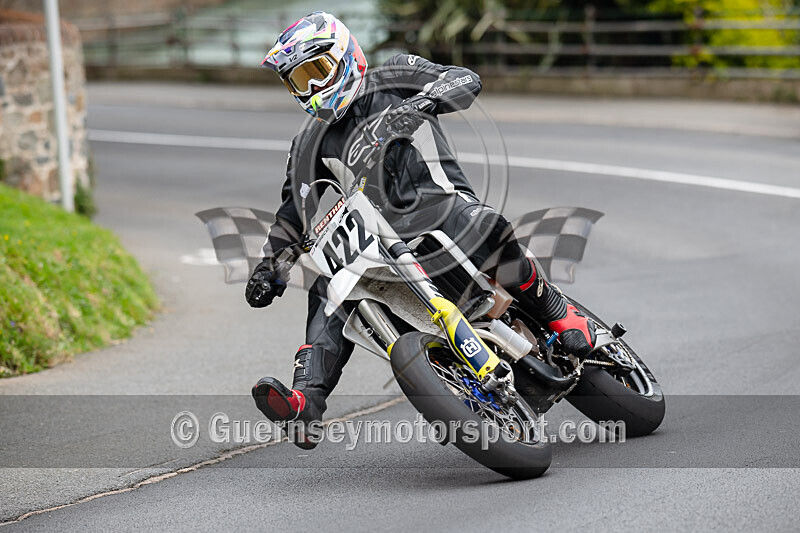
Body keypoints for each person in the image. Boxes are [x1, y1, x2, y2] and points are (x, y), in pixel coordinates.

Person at [247, 12, 596, 448]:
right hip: (380, 245)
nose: (312, 88)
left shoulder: (393, 74)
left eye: (317, 71)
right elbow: (292, 212)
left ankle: (558, 313)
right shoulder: (307, 143)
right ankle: (306, 400)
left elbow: (463, 78)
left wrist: (421, 103)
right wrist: (269, 268)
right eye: (298, 81)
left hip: (441, 206)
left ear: (345, 55)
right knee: (329, 286)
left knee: (480, 227)